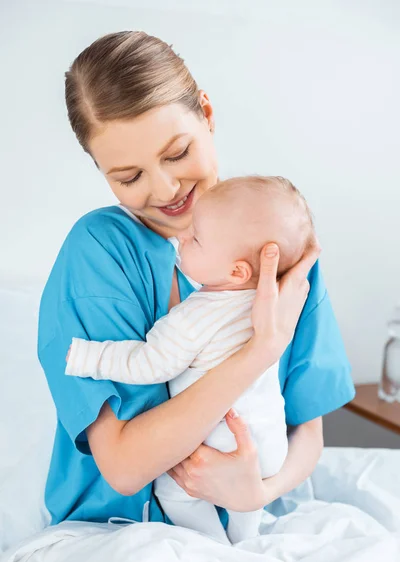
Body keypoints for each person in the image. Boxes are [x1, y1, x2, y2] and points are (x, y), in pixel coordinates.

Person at [38, 30, 354, 529]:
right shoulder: (99, 252)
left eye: (177, 153)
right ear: (100, 171)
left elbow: (306, 430)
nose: (165, 189)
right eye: (129, 177)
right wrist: (260, 351)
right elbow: (123, 466)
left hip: (250, 519)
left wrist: (259, 492)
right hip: (116, 532)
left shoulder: (272, 234)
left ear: (206, 114)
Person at [64, 174, 315, 544]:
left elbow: (150, 363)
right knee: (249, 510)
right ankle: (246, 540)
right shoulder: (277, 301)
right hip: (270, 447)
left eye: (195, 238)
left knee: (174, 491)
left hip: (220, 445)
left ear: (236, 271)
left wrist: (90, 357)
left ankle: (215, 547)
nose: (182, 238)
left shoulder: (197, 316)